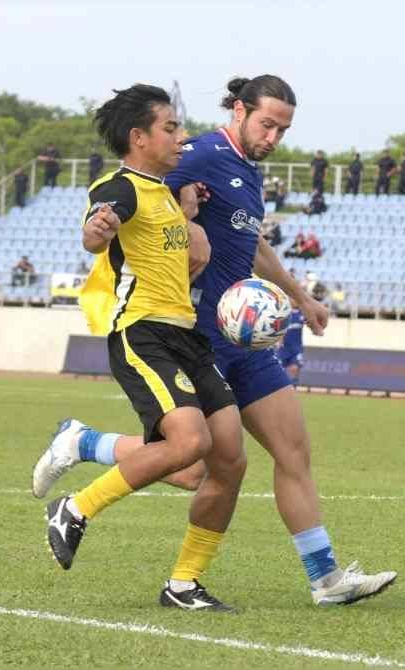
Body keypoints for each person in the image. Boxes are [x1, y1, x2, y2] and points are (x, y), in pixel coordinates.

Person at [35, 75, 396, 606]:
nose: (274, 137)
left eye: (284, 129)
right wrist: (184, 219)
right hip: (191, 332)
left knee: (291, 451)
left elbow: (251, 245)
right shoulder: (199, 153)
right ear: (239, 110)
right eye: (267, 123)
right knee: (197, 465)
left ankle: (326, 579)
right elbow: (138, 191)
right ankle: (88, 448)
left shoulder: (248, 175)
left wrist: (299, 296)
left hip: (243, 341)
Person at [31, 83, 246, 612]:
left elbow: (170, 219)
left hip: (187, 335)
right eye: (170, 128)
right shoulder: (121, 186)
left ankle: (183, 584)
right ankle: (74, 509)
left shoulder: (165, 190)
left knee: (223, 464)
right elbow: (98, 226)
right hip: (143, 334)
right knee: (190, 441)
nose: (181, 136)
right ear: (139, 137)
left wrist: (189, 210)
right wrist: (97, 229)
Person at [276, 304, 305, 385]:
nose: (295, 300)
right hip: (283, 348)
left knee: (294, 369)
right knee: (279, 372)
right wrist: (279, 343)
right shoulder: (284, 314)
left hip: (296, 348)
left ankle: (292, 389)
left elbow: (311, 320)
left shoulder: (302, 314)